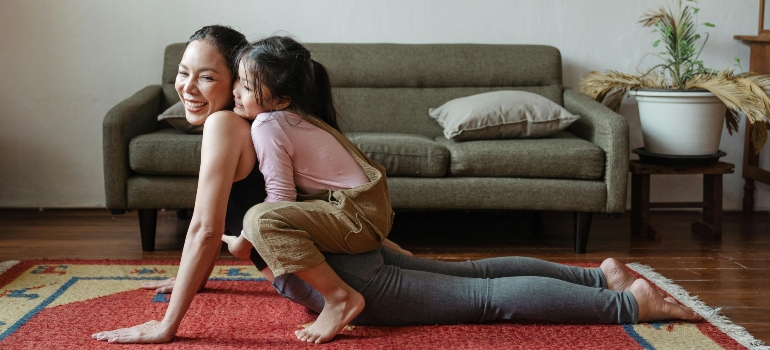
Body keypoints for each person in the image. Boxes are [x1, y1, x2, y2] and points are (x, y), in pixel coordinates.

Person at [92, 27, 702, 346]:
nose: (190, 89)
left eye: (208, 77)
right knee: (476, 276)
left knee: (484, 301)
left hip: (344, 273)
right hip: (345, 244)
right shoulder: (268, 120)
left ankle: (628, 303)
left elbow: (209, 226)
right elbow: (252, 220)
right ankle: (602, 276)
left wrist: (169, 323)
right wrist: (194, 273)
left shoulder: (231, 124)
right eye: (182, 74)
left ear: (240, 82)